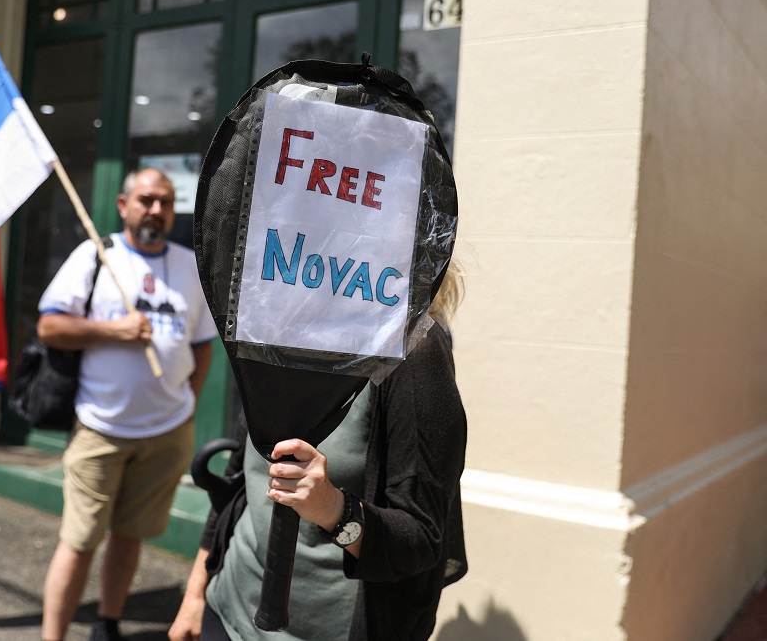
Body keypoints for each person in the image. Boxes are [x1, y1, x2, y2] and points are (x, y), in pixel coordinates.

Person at [169, 262, 467, 641]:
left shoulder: (413, 351)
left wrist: (334, 509)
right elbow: (237, 481)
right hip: (226, 610)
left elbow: (422, 539)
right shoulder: (276, 322)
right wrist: (196, 594)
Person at [38, 168, 218, 641]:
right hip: (101, 426)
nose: (154, 209)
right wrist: (113, 330)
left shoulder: (188, 266)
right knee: (78, 541)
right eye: (145, 200)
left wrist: (188, 403)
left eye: (164, 201)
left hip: (166, 431)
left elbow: (202, 346)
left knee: (130, 534)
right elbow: (50, 328)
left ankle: (107, 623)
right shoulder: (96, 257)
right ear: (123, 205)